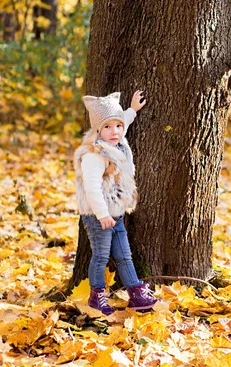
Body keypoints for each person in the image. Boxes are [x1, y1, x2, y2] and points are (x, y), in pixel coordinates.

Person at [74, 90, 158, 315]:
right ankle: (96, 296)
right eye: (108, 127)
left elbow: (123, 123)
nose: (115, 131)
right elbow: (91, 188)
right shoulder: (95, 154)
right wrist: (102, 215)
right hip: (97, 215)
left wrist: (131, 110)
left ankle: (135, 292)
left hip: (116, 212)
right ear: (98, 130)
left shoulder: (117, 143)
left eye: (118, 126)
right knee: (101, 255)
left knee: (124, 255)